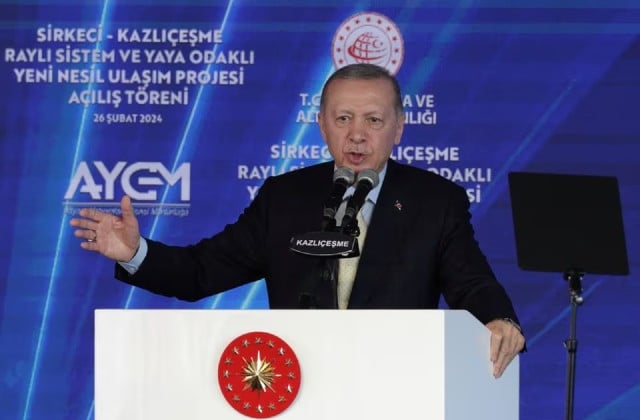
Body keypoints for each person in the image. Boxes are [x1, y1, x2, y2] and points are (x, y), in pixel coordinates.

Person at [70, 63, 525, 378]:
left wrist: (500, 319)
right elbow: (200, 272)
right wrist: (134, 252)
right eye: (343, 118)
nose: (357, 135)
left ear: (399, 128)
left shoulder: (435, 201)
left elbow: (472, 282)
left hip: (398, 384)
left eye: (373, 120)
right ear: (321, 124)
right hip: (296, 388)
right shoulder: (284, 198)